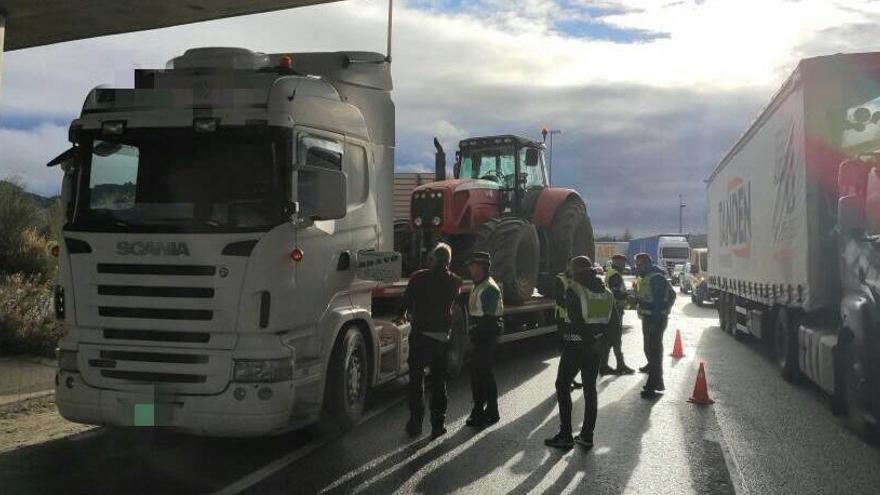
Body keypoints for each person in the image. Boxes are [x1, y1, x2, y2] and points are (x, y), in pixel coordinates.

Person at [545, 256, 613, 449]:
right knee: (590, 390)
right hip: (595, 349)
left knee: (562, 385)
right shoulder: (606, 292)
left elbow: (576, 320)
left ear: (575, 271)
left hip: (575, 347)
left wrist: (587, 340)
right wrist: (601, 343)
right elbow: (612, 323)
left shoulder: (574, 290)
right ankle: (587, 435)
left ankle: (566, 435)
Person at [399, 243, 463, 438]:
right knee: (438, 382)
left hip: (420, 337)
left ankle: (415, 423)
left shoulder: (418, 277)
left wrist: (402, 314)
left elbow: (406, 302)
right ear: (449, 262)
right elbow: (454, 306)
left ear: (433, 259)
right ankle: (437, 425)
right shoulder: (455, 282)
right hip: (441, 339)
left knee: (417, 381)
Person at [465, 252, 504, 428]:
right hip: (480, 333)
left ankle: (487, 410)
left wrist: (475, 332)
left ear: (480, 267)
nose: (469, 268)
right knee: (478, 374)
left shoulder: (489, 287)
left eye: (472, 265)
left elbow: (488, 317)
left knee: (483, 374)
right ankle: (483, 410)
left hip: (486, 333)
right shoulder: (478, 285)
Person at [634, 253, 672, 398]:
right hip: (647, 318)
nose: (637, 268)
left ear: (648, 264)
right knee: (649, 350)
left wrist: (655, 323)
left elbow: (657, 303)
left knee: (654, 352)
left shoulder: (656, 278)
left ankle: (653, 385)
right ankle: (657, 381)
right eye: (637, 265)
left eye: (640, 265)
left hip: (655, 320)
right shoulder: (646, 277)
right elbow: (646, 297)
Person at [600, 255, 635, 375]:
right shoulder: (615, 275)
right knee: (615, 338)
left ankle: (611, 365)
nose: (624, 265)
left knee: (611, 339)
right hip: (614, 310)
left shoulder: (611, 272)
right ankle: (617, 365)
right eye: (623, 263)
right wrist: (627, 296)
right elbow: (615, 292)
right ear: (619, 263)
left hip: (610, 309)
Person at [554, 264, 583, 389]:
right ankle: (566, 380)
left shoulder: (578, 279)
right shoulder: (560, 279)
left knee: (574, 352)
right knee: (566, 351)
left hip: (574, 320)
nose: (573, 269)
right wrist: (573, 306)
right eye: (571, 266)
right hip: (563, 318)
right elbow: (560, 299)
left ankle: (571, 378)